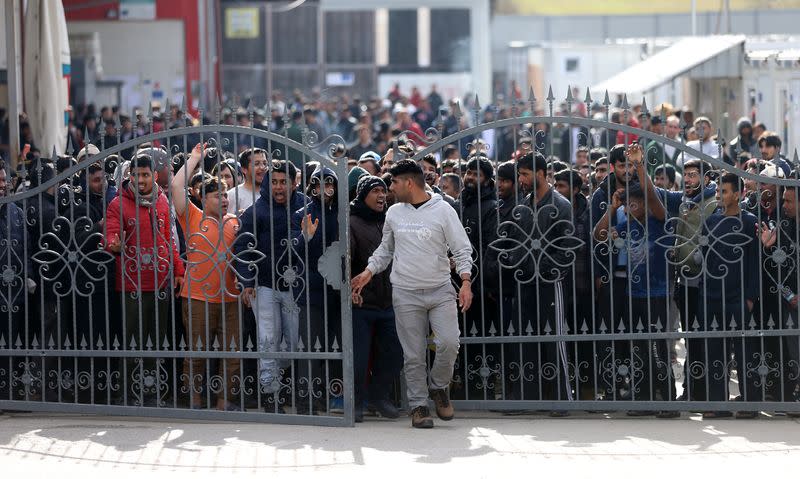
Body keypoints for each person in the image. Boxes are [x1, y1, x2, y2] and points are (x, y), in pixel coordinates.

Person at [351, 159, 473, 429]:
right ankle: (419, 405)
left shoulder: (443, 210)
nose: (389, 187)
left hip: (441, 289)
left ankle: (439, 387)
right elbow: (386, 250)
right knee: (414, 354)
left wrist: (465, 282)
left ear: (408, 182)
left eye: (393, 182)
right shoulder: (394, 213)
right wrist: (368, 272)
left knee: (449, 344)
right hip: (405, 292)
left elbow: (462, 248)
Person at [488, 152, 575, 411]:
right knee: (525, 339)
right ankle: (526, 397)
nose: (521, 179)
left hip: (550, 283)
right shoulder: (523, 205)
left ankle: (560, 400)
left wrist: (544, 268)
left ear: (540, 173)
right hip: (523, 282)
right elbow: (516, 240)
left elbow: (567, 247)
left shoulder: (561, 205)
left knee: (553, 340)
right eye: (520, 174)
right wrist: (517, 263)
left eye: (525, 174)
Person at [593, 144, 674, 417]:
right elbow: (599, 235)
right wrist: (612, 208)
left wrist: (640, 167)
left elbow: (651, 197)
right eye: (627, 204)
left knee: (658, 348)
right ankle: (644, 397)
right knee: (639, 349)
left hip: (657, 293)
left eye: (633, 203)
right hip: (634, 294)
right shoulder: (626, 224)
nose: (629, 207)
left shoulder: (657, 221)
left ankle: (668, 401)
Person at [105, 153, 185, 406]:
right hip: (132, 285)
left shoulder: (162, 202)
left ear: (154, 176)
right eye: (136, 175)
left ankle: (152, 391)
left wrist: (179, 270)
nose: (140, 180)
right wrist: (114, 245)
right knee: (132, 340)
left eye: (145, 175)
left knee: (156, 339)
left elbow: (169, 242)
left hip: (160, 282)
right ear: (130, 175)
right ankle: (128, 391)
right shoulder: (118, 204)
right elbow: (111, 235)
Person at [172, 143, 241, 411]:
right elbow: (177, 188)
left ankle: (223, 404)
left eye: (225, 195)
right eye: (217, 196)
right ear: (203, 198)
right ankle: (194, 403)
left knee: (231, 354)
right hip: (197, 297)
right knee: (196, 354)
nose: (223, 200)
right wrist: (194, 159)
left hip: (230, 298)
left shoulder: (236, 222)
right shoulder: (193, 217)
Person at [233, 160, 307, 410]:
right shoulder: (256, 212)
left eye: (283, 182)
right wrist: (246, 282)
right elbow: (243, 248)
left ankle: (280, 381)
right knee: (267, 339)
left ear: (293, 182)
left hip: (296, 287)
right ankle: (269, 392)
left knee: (293, 342)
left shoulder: (305, 207)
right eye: (274, 182)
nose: (278, 187)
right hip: (264, 286)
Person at [699, 173, 760, 418]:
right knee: (715, 351)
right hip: (712, 294)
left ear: (738, 194)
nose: (719, 195)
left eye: (724, 191)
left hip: (739, 296)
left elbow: (755, 261)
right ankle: (718, 403)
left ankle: (749, 403)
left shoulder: (749, 221)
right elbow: (705, 257)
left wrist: (750, 297)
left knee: (744, 350)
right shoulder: (711, 221)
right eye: (718, 191)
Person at [349, 175, 403, 422]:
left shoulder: (392, 220)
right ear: (363, 195)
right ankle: (357, 402)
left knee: (394, 353)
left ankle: (379, 396)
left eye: (384, 190)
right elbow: (347, 260)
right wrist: (351, 290)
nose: (382, 195)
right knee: (359, 358)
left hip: (390, 301)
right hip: (362, 303)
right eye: (375, 191)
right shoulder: (351, 222)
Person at [230, 148, 268, 215]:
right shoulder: (233, 195)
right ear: (244, 169)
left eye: (265, 163)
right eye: (257, 164)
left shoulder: (272, 193)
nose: (262, 167)